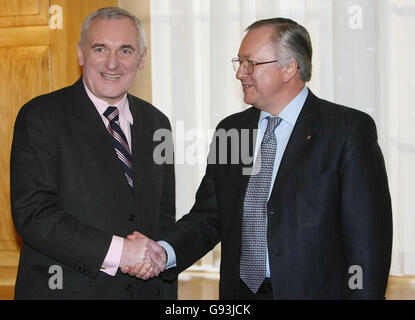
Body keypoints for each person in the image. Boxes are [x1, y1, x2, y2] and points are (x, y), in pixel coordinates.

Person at [129, 17, 393, 299]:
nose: (240, 73)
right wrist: (164, 253)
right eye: (239, 62)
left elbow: (367, 243)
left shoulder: (347, 130)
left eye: (250, 63)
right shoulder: (231, 130)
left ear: (289, 68)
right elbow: (209, 216)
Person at [10, 7, 176, 299]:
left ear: (142, 58)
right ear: (81, 54)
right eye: (100, 48)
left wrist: (158, 263)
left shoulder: (157, 123)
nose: (113, 63)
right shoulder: (41, 116)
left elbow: (163, 215)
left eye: (125, 50)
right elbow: (34, 214)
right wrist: (119, 252)